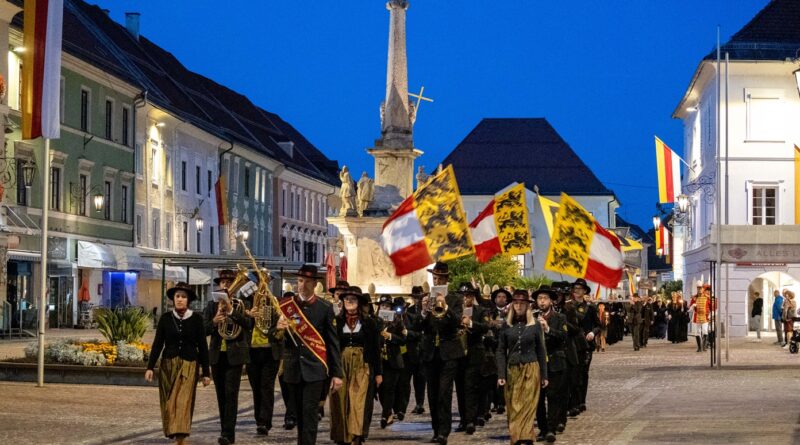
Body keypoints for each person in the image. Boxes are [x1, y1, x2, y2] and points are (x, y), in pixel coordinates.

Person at [279, 264, 343, 445]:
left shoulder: (325, 308)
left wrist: (337, 374)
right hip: (292, 369)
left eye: (307, 281)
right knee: (298, 413)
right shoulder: (286, 307)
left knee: (310, 413)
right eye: (300, 281)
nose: (302, 285)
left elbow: (332, 342)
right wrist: (277, 329)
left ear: (315, 284)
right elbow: (274, 337)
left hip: (315, 369)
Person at [145, 282, 210, 445]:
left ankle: (181, 436)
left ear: (188, 300)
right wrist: (150, 367)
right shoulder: (166, 319)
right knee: (169, 401)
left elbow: (202, 346)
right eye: (177, 296)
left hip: (189, 364)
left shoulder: (196, 319)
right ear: (173, 299)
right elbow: (158, 343)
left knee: (183, 400)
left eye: (184, 297)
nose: (180, 299)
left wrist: (206, 373)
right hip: (168, 364)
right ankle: (172, 430)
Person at [330, 286, 381, 445]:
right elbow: (332, 346)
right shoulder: (336, 321)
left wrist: (378, 373)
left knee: (358, 400)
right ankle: (342, 436)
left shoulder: (369, 323)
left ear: (359, 302)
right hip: (341, 363)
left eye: (352, 299)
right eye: (346, 299)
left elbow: (375, 349)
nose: (349, 302)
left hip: (362, 364)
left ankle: (356, 435)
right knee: (340, 399)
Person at [205, 270, 251, 445]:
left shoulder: (242, 304)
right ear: (218, 286)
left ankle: (228, 433)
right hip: (217, 355)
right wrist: (214, 322)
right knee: (221, 394)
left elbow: (248, 325)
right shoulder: (211, 306)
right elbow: (203, 329)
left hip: (235, 355)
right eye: (223, 283)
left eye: (229, 282)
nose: (225, 285)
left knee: (231, 394)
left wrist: (232, 311)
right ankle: (225, 428)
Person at [497, 289, 548, 445]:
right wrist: (501, 374)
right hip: (512, 369)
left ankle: (525, 436)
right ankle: (516, 435)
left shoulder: (535, 326)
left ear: (527, 306)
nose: (519, 306)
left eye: (522, 303)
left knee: (528, 403)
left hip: (531, 368)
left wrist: (544, 375)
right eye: (516, 303)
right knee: (513, 405)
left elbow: (541, 350)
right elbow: (500, 350)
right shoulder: (506, 325)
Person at [420, 262, 464, 445]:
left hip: (449, 352)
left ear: (446, 280)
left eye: (439, 278)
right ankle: (436, 430)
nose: (436, 280)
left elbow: (457, 323)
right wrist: (423, 312)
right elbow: (419, 327)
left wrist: (445, 307)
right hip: (431, 352)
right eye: (434, 278)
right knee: (432, 393)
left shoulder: (454, 299)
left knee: (444, 392)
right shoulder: (427, 299)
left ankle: (444, 432)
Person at [242, 272, 285, 437]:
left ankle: (264, 422)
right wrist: (249, 315)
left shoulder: (274, 303)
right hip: (252, 350)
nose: (261, 287)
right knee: (255, 387)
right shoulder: (247, 303)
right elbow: (243, 324)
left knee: (266, 387)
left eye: (264, 282)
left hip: (269, 350)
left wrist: (275, 327)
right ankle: (258, 419)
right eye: (259, 283)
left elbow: (276, 326)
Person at [533, 285, 568, 443]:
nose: (542, 302)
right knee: (538, 399)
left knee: (553, 396)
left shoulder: (560, 318)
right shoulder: (531, 317)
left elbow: (563, 336)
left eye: (545, 298)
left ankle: (551, 428)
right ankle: (543, 428)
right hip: (537, 364)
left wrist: (547, 329)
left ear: (551, 301)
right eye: (539, 299)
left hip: (555, 361)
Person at [454, 283, 488, 435]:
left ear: (473, 297)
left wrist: (471, 323)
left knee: (471, 387)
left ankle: (470, 420)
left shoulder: (480, 310)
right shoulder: (455, 312)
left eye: (468, 295)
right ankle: (463, 418)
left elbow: (485, 327)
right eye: (462, 296)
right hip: (459, 354)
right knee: (460, 388)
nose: (465, 298)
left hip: (474, 354)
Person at [375, 294, 407, 428]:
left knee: (389, 388)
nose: (384, 308)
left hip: (393, 361)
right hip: (379, 361)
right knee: (381, 389)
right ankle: (387, 412)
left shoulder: (398, 321)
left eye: (387, 306)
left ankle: (385, 414)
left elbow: (403, 339)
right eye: (382, 306)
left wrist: (390, 336)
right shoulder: (375, 321)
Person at [570, 279, 598, 413]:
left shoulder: (590, 308)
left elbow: (598, 325)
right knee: (572, 373)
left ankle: (581, 401)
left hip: (586, 344)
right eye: (575, 288)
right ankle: (573, 402)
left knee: (583, 373)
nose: (577, 291)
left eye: (580, 288)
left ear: (585, 291)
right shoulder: (567, 307)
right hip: (571, 344)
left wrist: (593, 332)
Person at [397, 287, 426, 417]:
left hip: (418, 352)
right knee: (404, 382)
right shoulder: (402, 314)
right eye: (415, 297)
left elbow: (419, 333)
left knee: (419, 380)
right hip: (405, 353)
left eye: (419, 297)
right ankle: (402, 408)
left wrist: (408, 333)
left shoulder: (416, 315)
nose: (417, 299)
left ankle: (419, 404)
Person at [690, 285, 713, 352]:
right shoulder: (694, 298)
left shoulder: (707, 297)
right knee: (697, 332)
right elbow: (690, 308)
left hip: (705, 317)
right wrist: (693, 306)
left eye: (700, 288)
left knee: (705, 331)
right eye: (698, 288)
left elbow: (711, 307)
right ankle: (699, 347)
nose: (699, 290)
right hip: (697, 317)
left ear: (703, 289)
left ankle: (704, 346)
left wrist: (710, 315)